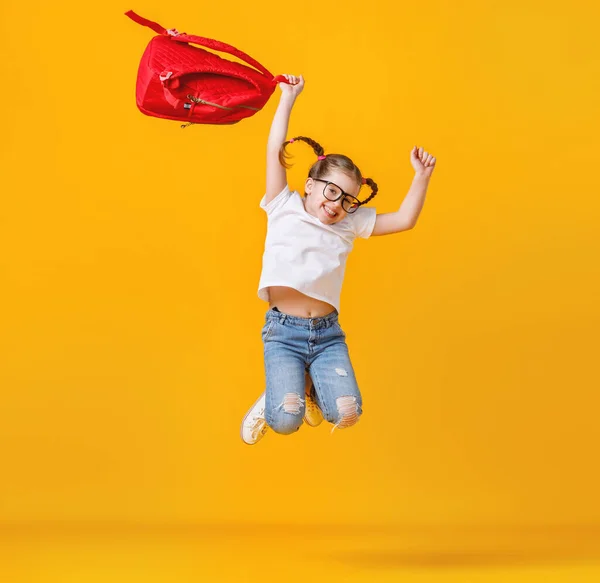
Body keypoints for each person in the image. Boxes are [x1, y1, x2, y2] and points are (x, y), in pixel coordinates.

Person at [241, 74, 436, 444]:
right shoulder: (284, 205)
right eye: (331, 191)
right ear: (311, 185)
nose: (336, 205)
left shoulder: (349, 223)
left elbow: (405, 220)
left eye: (348, 199)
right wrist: (288, 98)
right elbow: (272, 151)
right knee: (285, 421)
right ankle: (278, 396)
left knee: (347, 414)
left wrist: (421, 177)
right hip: (283, 333)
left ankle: (308, 384)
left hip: (328, 334)